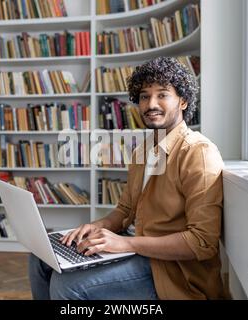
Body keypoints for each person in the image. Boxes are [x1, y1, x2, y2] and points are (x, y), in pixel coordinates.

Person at [28, 56, 227, 300]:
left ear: (183, 101)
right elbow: (125, 211)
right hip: (136, 250)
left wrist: (127, 244)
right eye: (144, 96)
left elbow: (202, 243)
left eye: (162, 94)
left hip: (173, 271)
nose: (151, 104)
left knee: (67, 284)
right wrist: (97, 227)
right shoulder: (143, 150)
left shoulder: (198, 152)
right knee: (40, 257)